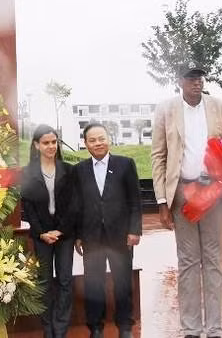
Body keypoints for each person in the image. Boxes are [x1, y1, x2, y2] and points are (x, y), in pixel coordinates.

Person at [150, 63, 222, 338]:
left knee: (212, 260)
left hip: (211, 193)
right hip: (181, 194)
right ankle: (191, 328)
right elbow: (158, 155)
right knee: (187, 262)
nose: (196, 82)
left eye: (199, 78)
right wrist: (162, 201)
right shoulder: (166, 109)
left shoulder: (218, 106)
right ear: (179, 81)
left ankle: (215, 328)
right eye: (190, 78)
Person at [74, 122, 142, 338]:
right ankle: (95, 325)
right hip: (91, 236)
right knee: (94, 282)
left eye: (101, 138)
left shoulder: (125, 164)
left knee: (122, 280)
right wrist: (77, 236)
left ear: (109, 139)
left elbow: (135, 200)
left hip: (120, 235)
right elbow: (76, 205)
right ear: (85, 144)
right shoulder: (79, 170)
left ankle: (125, 325)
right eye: (92, 140)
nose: (98, 143)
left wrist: (134, 230)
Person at [21, 124, 76, 338]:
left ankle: (60, 330)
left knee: (64, 281)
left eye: (54, 142)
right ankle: (48, 331)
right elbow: (28, 207)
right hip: (41, 236)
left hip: (65, 235)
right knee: (43, 282)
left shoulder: (69, 170)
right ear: (36, 145)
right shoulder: (27, 173)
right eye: (46, 143)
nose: (51, 146)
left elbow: (74, 205)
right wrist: (42, 232)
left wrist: (60, 231)